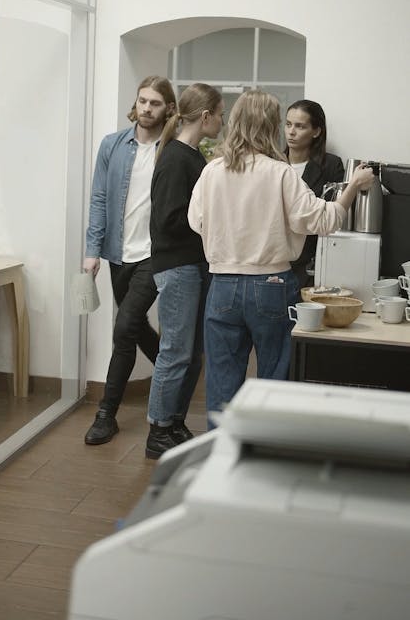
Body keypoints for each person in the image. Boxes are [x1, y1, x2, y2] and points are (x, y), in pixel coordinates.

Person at [187, 90, 374, 424]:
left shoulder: (212, 172)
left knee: (221, 382)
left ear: (236, 122)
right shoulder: (281, 173)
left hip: (222, 284)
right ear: (271, 125)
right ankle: (267, 455)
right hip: (271, 284)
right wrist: (352, 187)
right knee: (275, 379)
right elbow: (324, 221)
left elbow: (195, 221)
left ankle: (221, 456)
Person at [83, 75, 177, 445]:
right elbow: (100, 200)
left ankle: (106, 414)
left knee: (124, 329)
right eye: (142, 101)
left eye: (155, 103)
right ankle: (180, 375)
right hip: (118, 252)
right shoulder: (112, 145)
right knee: (134, 326)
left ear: (168, 108)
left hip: (156, 254)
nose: (146, 108)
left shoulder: (172, 149)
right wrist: (92, 251)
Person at [145, 83, 224, 459]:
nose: (223, 122)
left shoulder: (191, 156)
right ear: (205, 116)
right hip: (177, 267)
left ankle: (173, 421)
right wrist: (209, 223)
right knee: (175, 351)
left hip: (191, 266)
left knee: (192, 354)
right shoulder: (177, 158)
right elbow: (168, 219)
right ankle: (158, 429)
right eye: (220, 114)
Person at [284, 99, 345, 289]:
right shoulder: (272, 163)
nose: (291, 132)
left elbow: (332, 214)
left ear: (316, 131)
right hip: (275, 258)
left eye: (300, 126)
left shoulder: (331, 165)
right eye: (288, 124)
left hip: (312, 260)